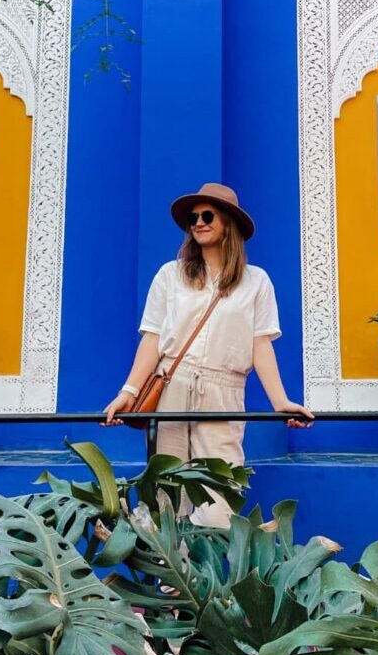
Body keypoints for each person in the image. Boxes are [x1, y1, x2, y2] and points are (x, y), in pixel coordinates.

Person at [103, 183, 313, 524]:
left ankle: (205, 576)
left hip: (223, 392)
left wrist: (281, 403)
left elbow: (261, 345)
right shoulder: (170, 275)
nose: (198, 223)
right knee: (167, 497)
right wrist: (127, 392)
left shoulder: (256, 282)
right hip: (171, 385)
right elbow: (153, 340)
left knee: (221, 498)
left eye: (207, 215)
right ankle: (172, 578)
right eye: (192, 218)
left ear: (229, 222)